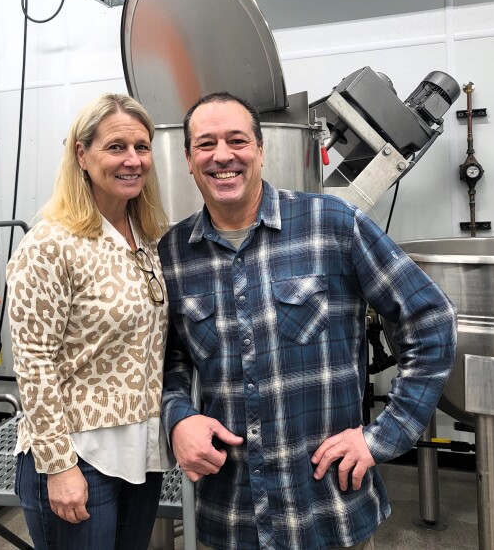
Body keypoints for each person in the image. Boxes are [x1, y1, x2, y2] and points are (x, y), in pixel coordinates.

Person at [159, 91, 457, 550]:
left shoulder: (333, 224)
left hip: (327, 510)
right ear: (188, 158)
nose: (223, 156)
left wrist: (387, 434)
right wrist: (178, 418)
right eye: (206, 144)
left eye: (237, 140)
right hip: (230, 517)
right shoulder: (175, 253)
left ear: (260, 150)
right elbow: (169, 358)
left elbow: (430, 319)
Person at [7, 93, 173, 550]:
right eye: (116, 147)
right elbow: (34, 362)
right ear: (82, 154)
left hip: (142, 451)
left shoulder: (147, 238)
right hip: (80, 456)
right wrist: (59, 465)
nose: (133, 160)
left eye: (141, 147)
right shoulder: (51, 245)